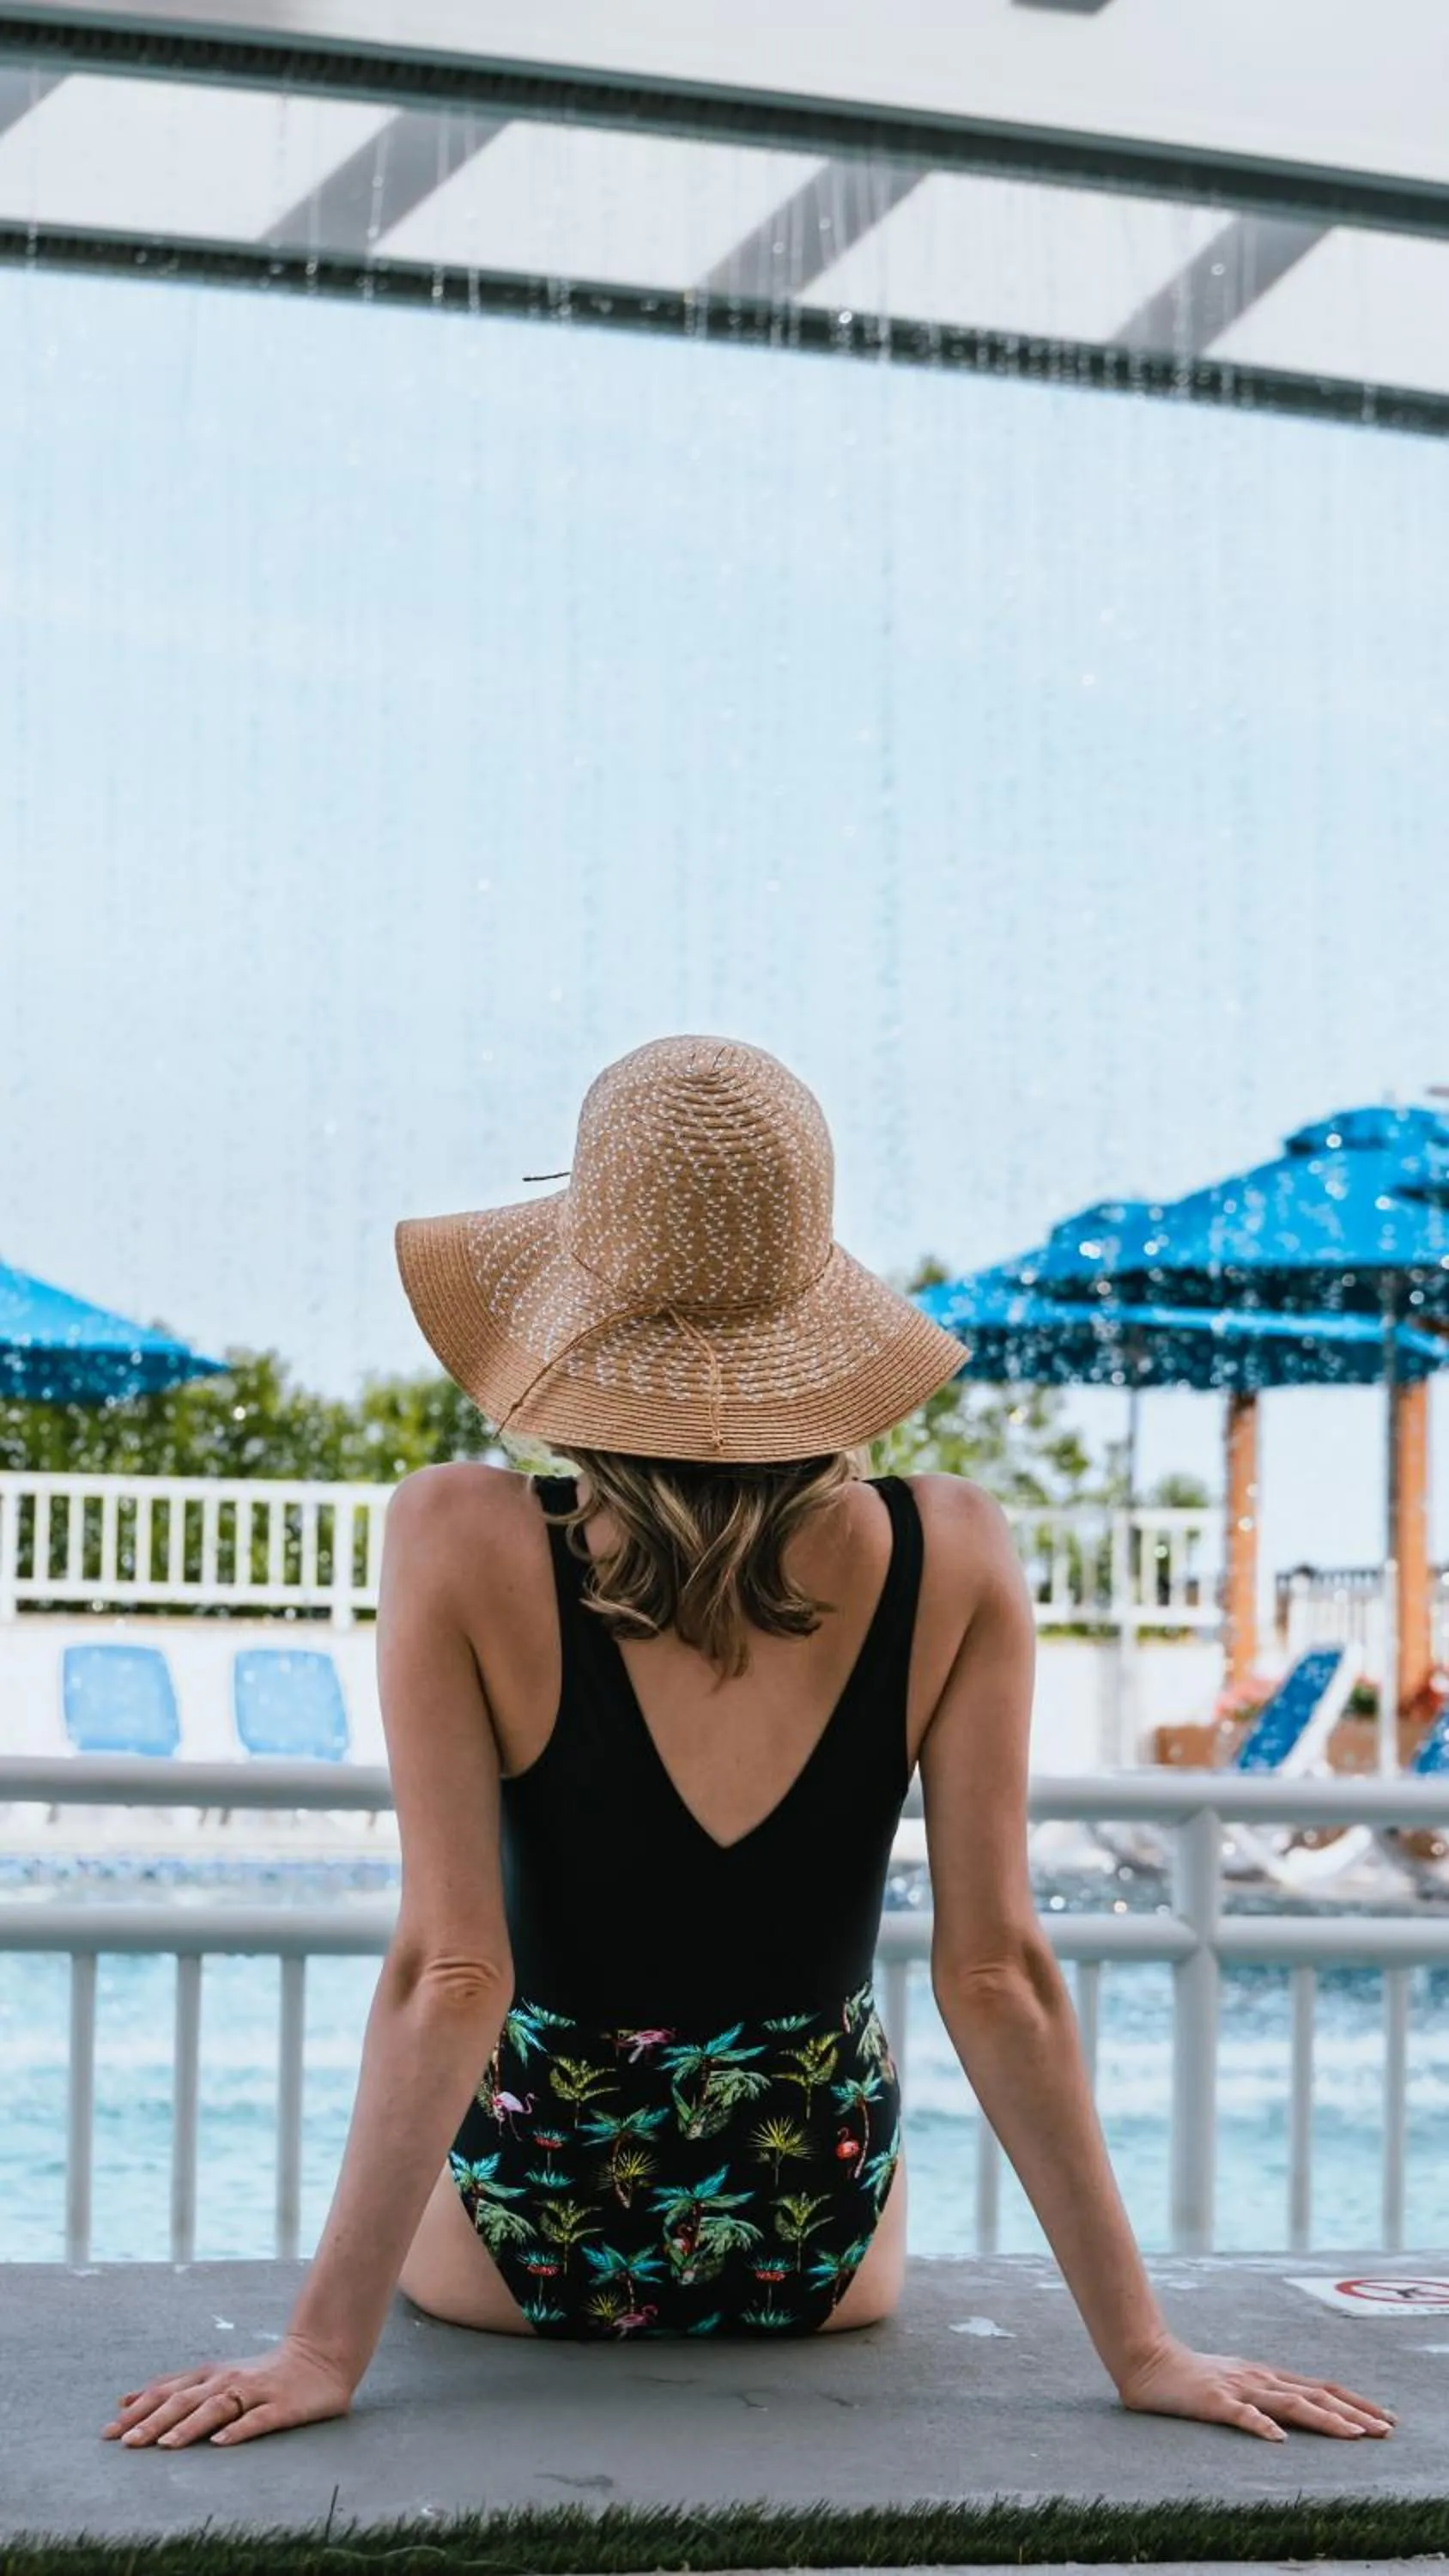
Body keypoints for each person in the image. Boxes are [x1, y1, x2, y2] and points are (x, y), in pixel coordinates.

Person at [105, 1036, 1392, 2449]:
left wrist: (315, 2353)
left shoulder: (456, 1537)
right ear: (816, 1309)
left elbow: (454, 1970)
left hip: (520, 2245)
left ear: (573, 1294)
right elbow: (998, 1973)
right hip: (818, 2250)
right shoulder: (952, 1549)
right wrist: (1144, 2350)